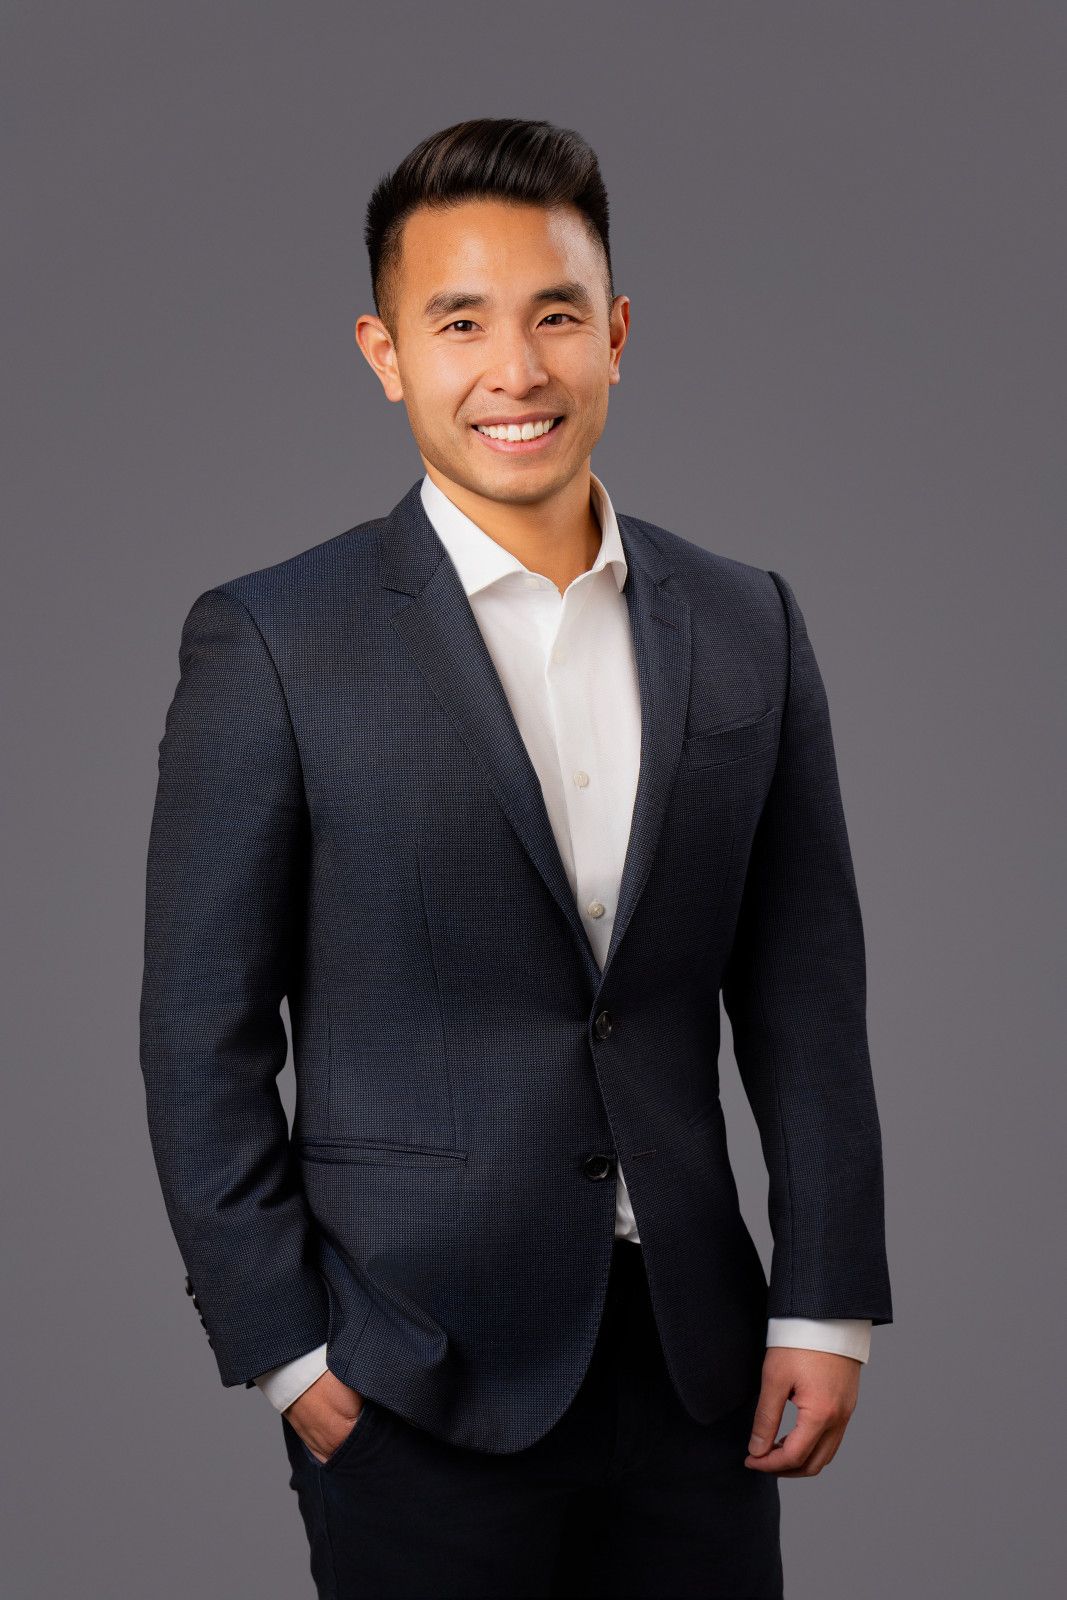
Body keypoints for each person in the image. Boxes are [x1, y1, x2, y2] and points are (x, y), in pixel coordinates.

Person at [139, 116, 892, 1599]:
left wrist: (825, 1307)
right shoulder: (276, 639)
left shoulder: (752, 621)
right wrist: (287, 1352)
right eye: (459, 321)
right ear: (384, 351)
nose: (518, 369)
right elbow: (196, 1034)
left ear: (615, 332)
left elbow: (805, 996)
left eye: (556, 315)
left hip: (697, 1359)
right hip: (412, 1367)